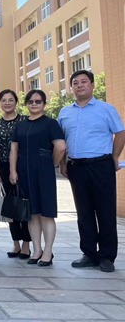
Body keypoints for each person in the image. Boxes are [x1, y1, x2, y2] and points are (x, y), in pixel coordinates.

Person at [58, 70, 125, 273]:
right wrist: (63, 162)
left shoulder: (106, 109)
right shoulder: (65, 112)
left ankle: (107, 256)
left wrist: (114, 157)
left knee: (105, 210)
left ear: (92, 85)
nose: (79, 85)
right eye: (75, 83)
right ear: (71, 88)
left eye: (84, 82)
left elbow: (120, 133)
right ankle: (89, 253)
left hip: (101, 165)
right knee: (84, 211)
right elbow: (61, 140)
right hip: (76, 166)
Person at [10, 90, 66, 267]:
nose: (34, 104)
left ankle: (48, 251)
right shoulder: (20, 125)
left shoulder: (51, 123)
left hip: (43, 170)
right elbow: (14, 149)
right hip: (24, 170)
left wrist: (52, 163)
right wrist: (12, 171)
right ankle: (36, 250)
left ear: (44, 103)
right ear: (26, 104)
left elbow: (60, 147)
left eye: (38, 101)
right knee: (32, 214)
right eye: (30, 101)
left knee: (46, 213)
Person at [0, 89, 30, 259]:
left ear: (16, 102)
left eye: (11, 100)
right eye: (4, 100)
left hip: (24, 167)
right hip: (4, 167)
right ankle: (16, 244)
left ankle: (26, 245)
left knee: (25, 205)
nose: (7, 103)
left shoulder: (25, 121)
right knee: (11, 207)